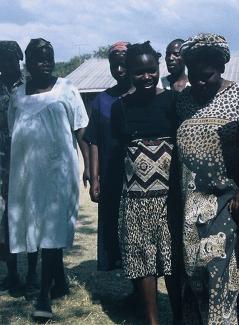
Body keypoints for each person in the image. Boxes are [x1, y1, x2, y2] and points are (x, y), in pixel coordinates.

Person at [176, 33, 239, 324]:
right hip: (190, 203)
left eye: (207, 75)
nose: (199, 81)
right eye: (193, 74)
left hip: (227, 200)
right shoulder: (183, 102)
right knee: (194, 271)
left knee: (221, 270)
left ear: (221, 67)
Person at [7, 38, 89, 320]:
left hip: (58, 172)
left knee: (52, 229)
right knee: (33, 226)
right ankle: (60, 281)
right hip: (26, 175)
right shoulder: (17, 95)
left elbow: (81, 131)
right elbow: (13, 131)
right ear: (27, 63)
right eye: (38, 58)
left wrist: (90, 168)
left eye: (49, 57)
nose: (44, 62)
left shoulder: (67, 89)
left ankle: (44, 294)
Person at [111, 41, 180, 325]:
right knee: (143, 262)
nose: (147, 77)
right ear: (127, 72)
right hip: (137, 200)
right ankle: (152, 320)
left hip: (170, 198)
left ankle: (179, 317)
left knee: (174, 262)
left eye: (151, 70)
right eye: (139, 72)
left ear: (158, 67)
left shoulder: (173, 102)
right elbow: (122, 151)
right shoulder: (121, 107)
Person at [84, 41, 133, 271]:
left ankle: (139, 289)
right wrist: (95, 179)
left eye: (123, 65)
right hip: (110, 177)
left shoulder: (144, 96)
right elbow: (93, 141)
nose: (119, 70)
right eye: (115, 66)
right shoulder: (101, 100)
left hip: (138, 179)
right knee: (112, 227)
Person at [0, 41, 39, 299]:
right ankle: (11, 273)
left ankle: (33, 275)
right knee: (6, 221)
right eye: (2, 60)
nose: (7, 64)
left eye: (11, 59)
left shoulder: (31, 88)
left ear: (19, 60)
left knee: (33, 218)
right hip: (3, 164)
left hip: (30, 161)